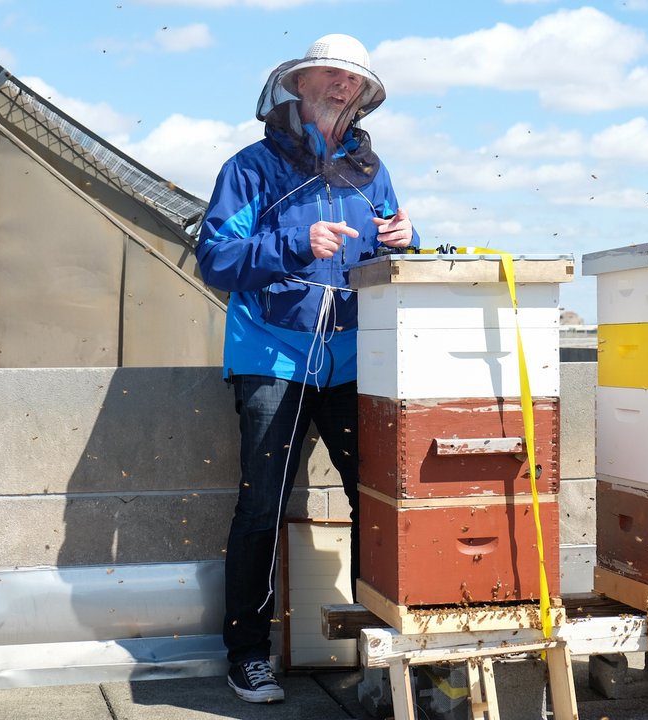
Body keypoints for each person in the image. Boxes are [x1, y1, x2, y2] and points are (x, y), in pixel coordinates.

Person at [194, 34, 417, 704]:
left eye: (354, 79)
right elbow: (214, 257)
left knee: (374, 507)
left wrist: (411, 240)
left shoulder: (372, 173)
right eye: (331, 73)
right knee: (261, 506)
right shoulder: (251, 168)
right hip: (272, 354)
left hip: (352, 360)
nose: (343, 85)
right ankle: (246, 653)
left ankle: (382, 653)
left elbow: (390, 252)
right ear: (298, 83)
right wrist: (296, 242)